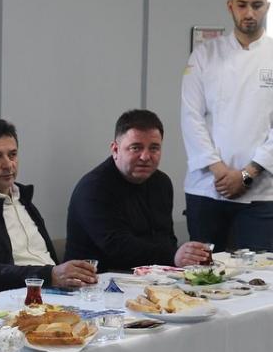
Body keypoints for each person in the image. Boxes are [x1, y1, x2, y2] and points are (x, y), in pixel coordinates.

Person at [0, 119, 98, 292]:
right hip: (15, 298)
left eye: (12, 154)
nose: (8, 165)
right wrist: (50, 275)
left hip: (57, 292)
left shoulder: (24, 199)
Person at [65, 110, 213, 271]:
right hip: (97, 279)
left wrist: (185, 255)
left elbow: (166, 238)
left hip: (152, 276)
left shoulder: (162, 182)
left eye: (154, 148)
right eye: (135, 148)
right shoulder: (93, 188)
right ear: (115, 150)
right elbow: (117, 247)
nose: (145, 157)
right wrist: (173, 256)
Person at [181, 0, 273, 251]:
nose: (249, 13)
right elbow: (191, 116)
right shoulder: (204, 55)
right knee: (205, 269)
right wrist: (219, 169)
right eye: (242, 5)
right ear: (230, 6)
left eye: (257, 5)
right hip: (207, 187)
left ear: (267, 7)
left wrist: (247, 175)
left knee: (258, 270)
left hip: (261, 192)